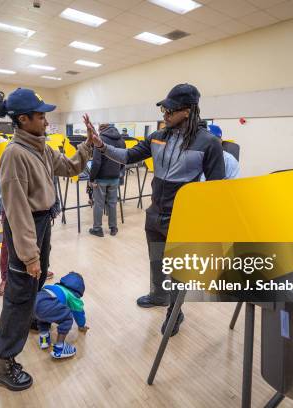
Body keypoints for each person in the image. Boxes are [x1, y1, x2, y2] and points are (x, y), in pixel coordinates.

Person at [84, 83, 225, 336]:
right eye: (164, 111)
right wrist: (101, 146)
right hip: (155, 213)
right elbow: (127, 156)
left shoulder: (209, 143)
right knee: (157, 261)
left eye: (170, 111)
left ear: (188, 111)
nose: (165, 115)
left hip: (182, 217)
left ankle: (176, 310)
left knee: (177, 268)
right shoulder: (158, 137)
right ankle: (159, 296)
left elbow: (216, 190)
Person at [0, 88, 93, 392]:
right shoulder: (14, 154)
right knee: (18, 296)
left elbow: (71, 168)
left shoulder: (41, 148)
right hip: (27, 228)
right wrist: (30, 256)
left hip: (42, 224)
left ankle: (32, 318)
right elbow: (17, 211)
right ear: (23, 119)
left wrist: (87, 144)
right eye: (41, 115)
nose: (46, 120)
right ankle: (2, 362)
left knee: (32, 288)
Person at [34, 271, 88, 359]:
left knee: (43, 318)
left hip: (35, 301)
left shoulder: (56, 286)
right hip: (48, 304)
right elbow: (79, 313)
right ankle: (60, 348)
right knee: (67, 318)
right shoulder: (72, 296)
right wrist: (81, 325)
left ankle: (44, 339)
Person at [88, 124, 125, 237]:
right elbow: (124, 158)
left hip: (101, 178)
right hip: (115, 177)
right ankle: (113, 228)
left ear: (101, 129)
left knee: (98, 204)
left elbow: (96, 161)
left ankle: (97, 229)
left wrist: (92, 178)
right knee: (113, 203)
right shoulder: (121, 140)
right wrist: (119, 172)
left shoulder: (101, 139)